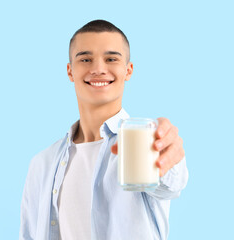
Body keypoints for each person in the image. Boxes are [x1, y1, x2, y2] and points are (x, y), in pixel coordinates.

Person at [19, 19, 188, 240]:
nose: (98, 69)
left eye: (111, 59)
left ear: (128, 70)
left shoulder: (145, 144)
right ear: (70, 71)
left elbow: (171, 185)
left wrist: (168, 159)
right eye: (85, 59)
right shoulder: (42, 163)